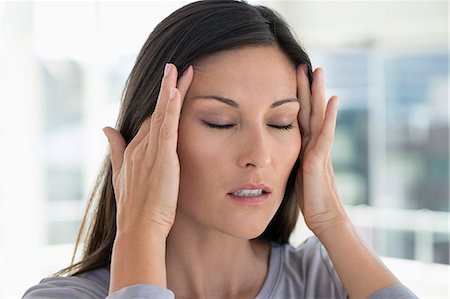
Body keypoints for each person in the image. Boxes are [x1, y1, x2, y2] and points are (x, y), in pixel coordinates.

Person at [23, 1, 417, 298]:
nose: (259, 155)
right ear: (149, 135)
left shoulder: (329, 278)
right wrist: (140, 230)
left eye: (281, 123)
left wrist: (332, 219)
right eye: (220, 122)